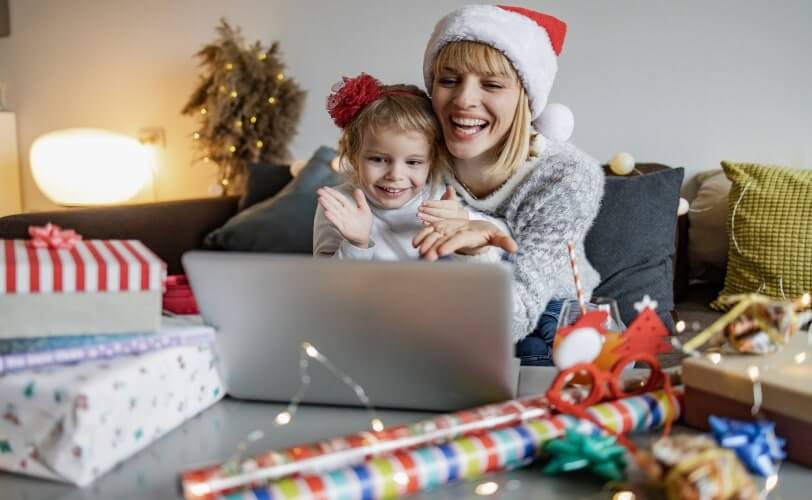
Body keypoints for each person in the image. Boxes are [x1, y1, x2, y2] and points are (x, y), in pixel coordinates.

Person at [413, 5, 605, 366]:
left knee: (559, 345)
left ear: (524, 98)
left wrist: (476, 251)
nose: (464, 99)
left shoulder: (566, 176)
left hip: (541, 314)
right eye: (449, 80)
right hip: (442, 308)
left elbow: (516, 316)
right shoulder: (410, 155)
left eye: (492, 85)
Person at [313, 73, 505, 260]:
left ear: (432, 162)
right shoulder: (338, 204)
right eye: (378, 160)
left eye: (413, 162)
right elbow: (325, 284)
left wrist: (464, 234)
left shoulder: (439, 201)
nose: (396, 175)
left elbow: (488, 251)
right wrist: (356, 244)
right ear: (355, 156)